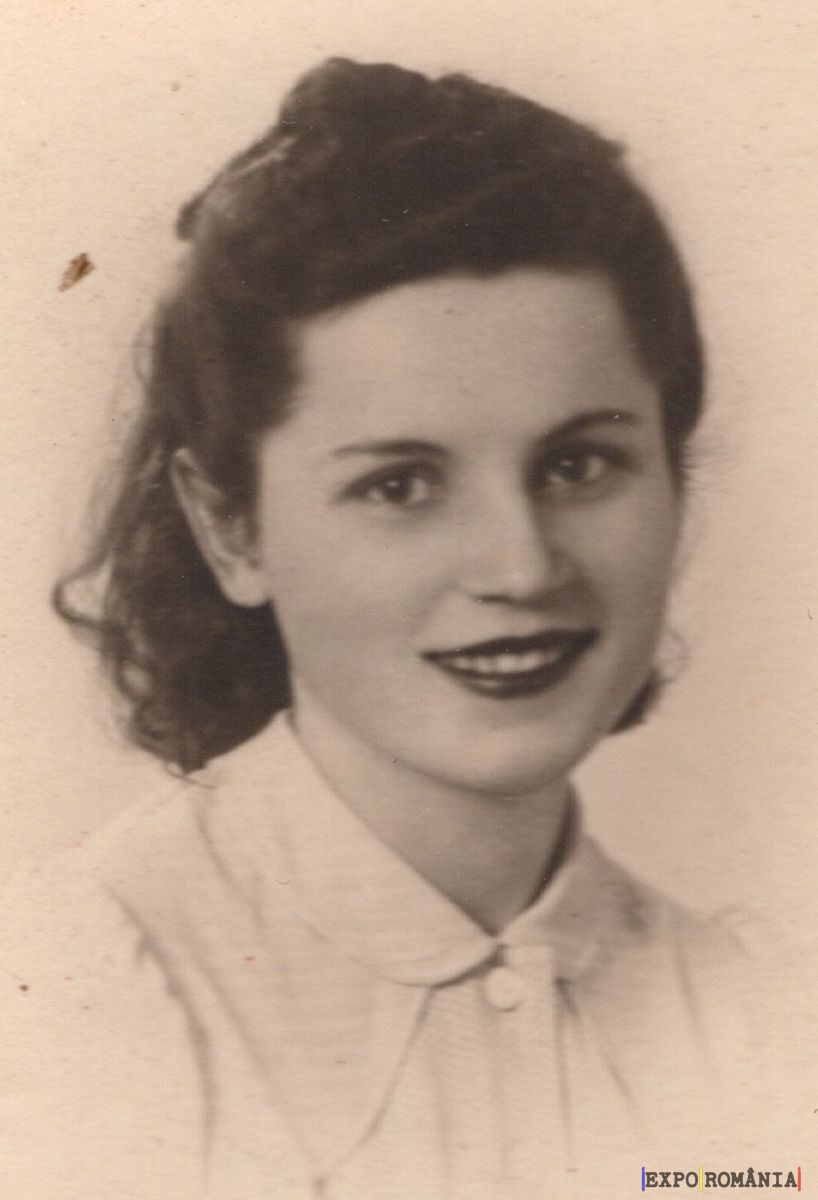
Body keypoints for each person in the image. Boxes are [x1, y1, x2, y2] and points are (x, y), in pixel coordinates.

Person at [0, 57, 798, 1200]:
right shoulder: (76, 989)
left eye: (578, 465)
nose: (520, 566)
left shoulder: (755, 1015)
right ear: (230, 529)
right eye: (398, 486)